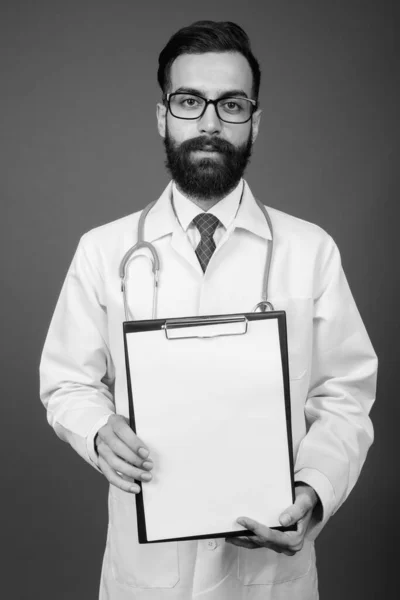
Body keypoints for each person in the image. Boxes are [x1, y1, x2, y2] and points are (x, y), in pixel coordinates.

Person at [40, 20, 377, 600]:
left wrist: (313, 492)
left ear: (255, 121)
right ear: (162, 116)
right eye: (190, 101)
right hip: (147, 571)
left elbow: (345, 394)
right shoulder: (103, 250)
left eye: (232, 104)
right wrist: (97, 432)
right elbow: (67, 381)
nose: (210, 123)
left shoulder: (310, 250)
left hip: (269, 574)